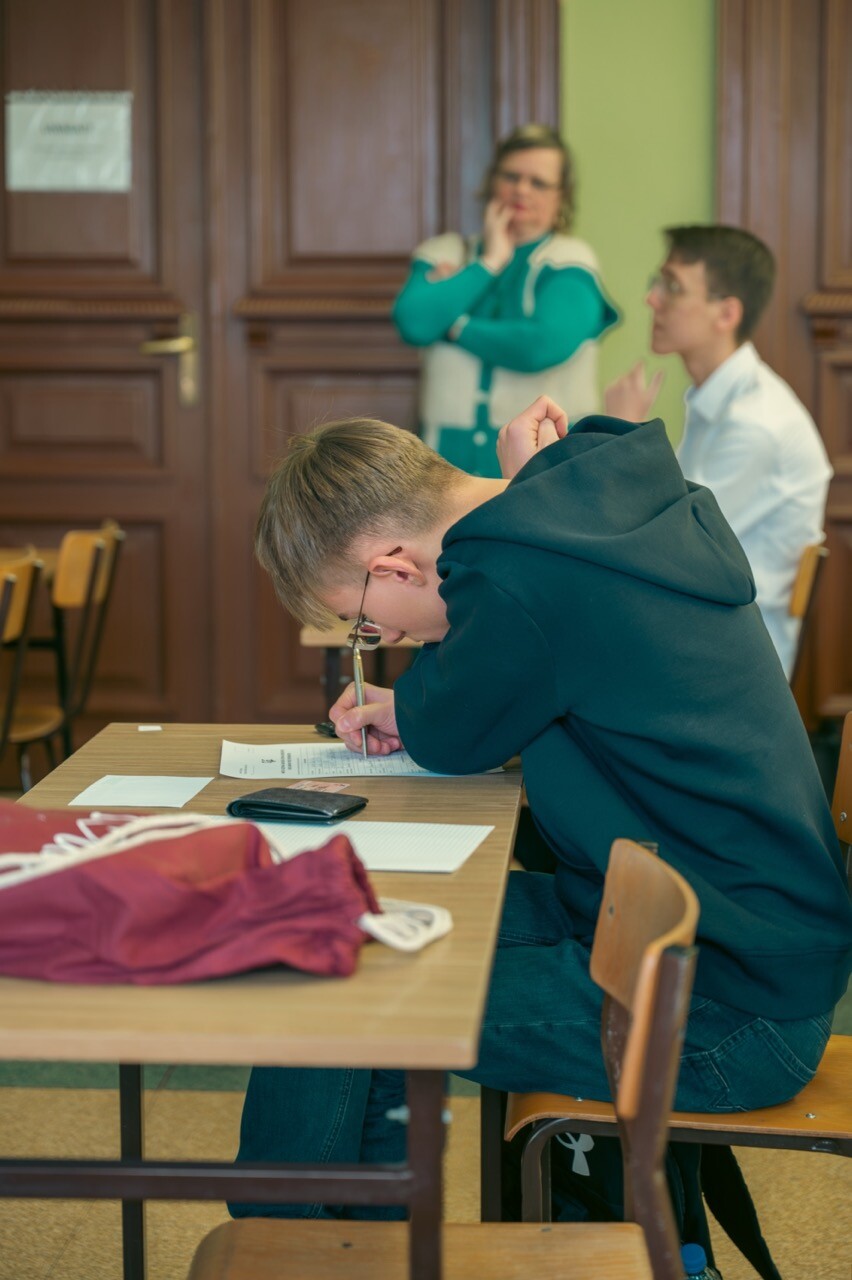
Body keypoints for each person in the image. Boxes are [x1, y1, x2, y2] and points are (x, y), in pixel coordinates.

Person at [232, 396, 851, 1222]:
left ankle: (288, 1252)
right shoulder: (586, 515)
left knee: (326, 990)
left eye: (364, 625)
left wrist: (416, 701)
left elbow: (454, 736)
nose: (388, 642)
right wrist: (526, 493)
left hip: (722, 1009)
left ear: (395, 566)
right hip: (728, 940)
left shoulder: (520, 573)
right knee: (353, 921)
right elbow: (482, 691)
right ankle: (349, 1248)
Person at [605, 224, 833, 678]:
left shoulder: (754, 424)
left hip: (729, 657)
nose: (652, 299)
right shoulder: (720, 400)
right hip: (696, 622)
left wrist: (623, 437)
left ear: (726, 313)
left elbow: (670, 547)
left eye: (673, 287)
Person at [392, 123, 619, 477]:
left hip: (544, 463)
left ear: (561, 196)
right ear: (492, 181)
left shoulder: (571, 261)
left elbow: (540, 345)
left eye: (538, 182)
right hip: (444, 460)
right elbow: (414, 322)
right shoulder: (446, 251)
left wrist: (454, 325)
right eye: (511, 176)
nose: (521, 190)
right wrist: (489, 263)